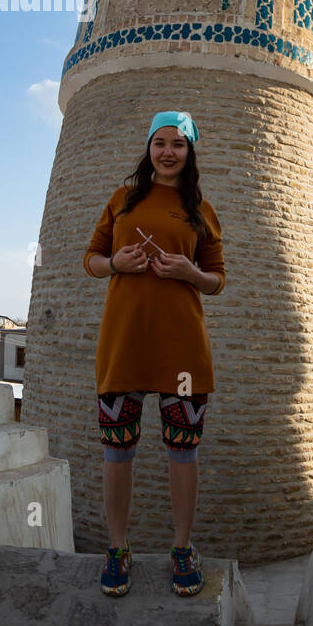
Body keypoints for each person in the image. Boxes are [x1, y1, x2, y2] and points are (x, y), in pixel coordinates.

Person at [82, 110, 226, 597]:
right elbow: (91, 259)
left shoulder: (201, 210)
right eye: (160, 142)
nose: (168, 152)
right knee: (116, 453)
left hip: (182, 351)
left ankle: (182, 548)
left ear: (190, 152)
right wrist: (116, 264)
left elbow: (217, 279)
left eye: (178, 144)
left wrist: (190, 273)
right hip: (124, 345)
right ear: (149, 147)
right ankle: (117, 549)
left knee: (183, 455)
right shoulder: (122, 200)